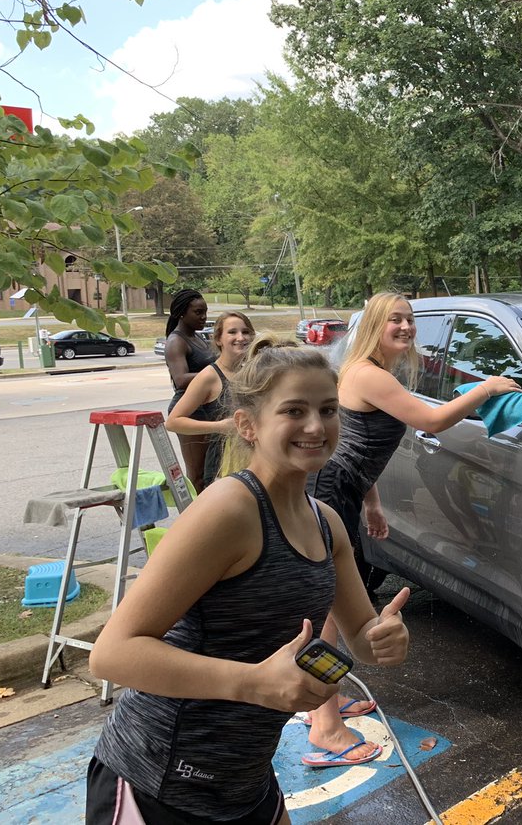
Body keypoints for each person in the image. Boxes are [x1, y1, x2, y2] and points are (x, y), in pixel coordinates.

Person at [86, 336, 411, 824]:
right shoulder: (229, 510)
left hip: (247, 779)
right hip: (158, 781)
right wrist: (253, 683)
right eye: (294, 411)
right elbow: (112, 654)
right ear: (248, 425)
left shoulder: (326, 522)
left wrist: (383, 638)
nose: (315, 426)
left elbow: (362, 640)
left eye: (328, 409)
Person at [303, 291, 520, 766]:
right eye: (394, 320)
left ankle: (326, 699)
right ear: (374, 327)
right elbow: (433, 420)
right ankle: (324, 724)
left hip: (343, 489)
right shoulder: (367, 374)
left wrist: (373, 504)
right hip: (328, 493)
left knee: (332, 605)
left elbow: (357, 445)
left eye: (408, 320)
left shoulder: (376, 374)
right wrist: (486, 388)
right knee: (326, 606)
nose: (405, 327)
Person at [165, 311, 255, 490]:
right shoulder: (209, 376)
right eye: (232, 332)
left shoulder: (252, 373)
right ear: (218, 339)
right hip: (223, 469)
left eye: (245, 332)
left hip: (253, 464)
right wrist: (220, 426)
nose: (240, 337)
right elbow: (173, 422)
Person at [164, 289, 217, 491]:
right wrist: (216, 375)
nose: (204, 317)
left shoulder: (197, 338)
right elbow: (180, 379)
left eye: (205, 311)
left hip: (207, 408)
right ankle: (193, 519)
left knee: (211, 471)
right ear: (181, 313)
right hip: (188, 410)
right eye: (198, 312)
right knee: (198, 476)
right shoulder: (176, 341)